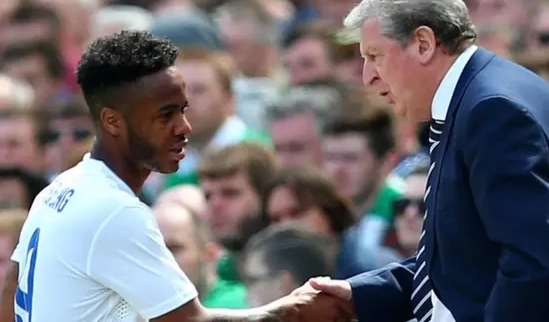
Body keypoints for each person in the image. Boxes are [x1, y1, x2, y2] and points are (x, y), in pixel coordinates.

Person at [308, 0, 549, 322]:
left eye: (375, 55)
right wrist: (360, 295)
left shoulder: (493, 110)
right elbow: (464, 262)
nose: (367, 75)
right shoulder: (476, 98)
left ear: (424, 44)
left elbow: (532, 267)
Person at [0, 31, 351, 322]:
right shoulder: (114, 211)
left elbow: (8, 295)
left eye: (182, 110)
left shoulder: (59, 188)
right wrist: (289, 310)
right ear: (112, 122)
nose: (184, 127)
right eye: (164, 115)